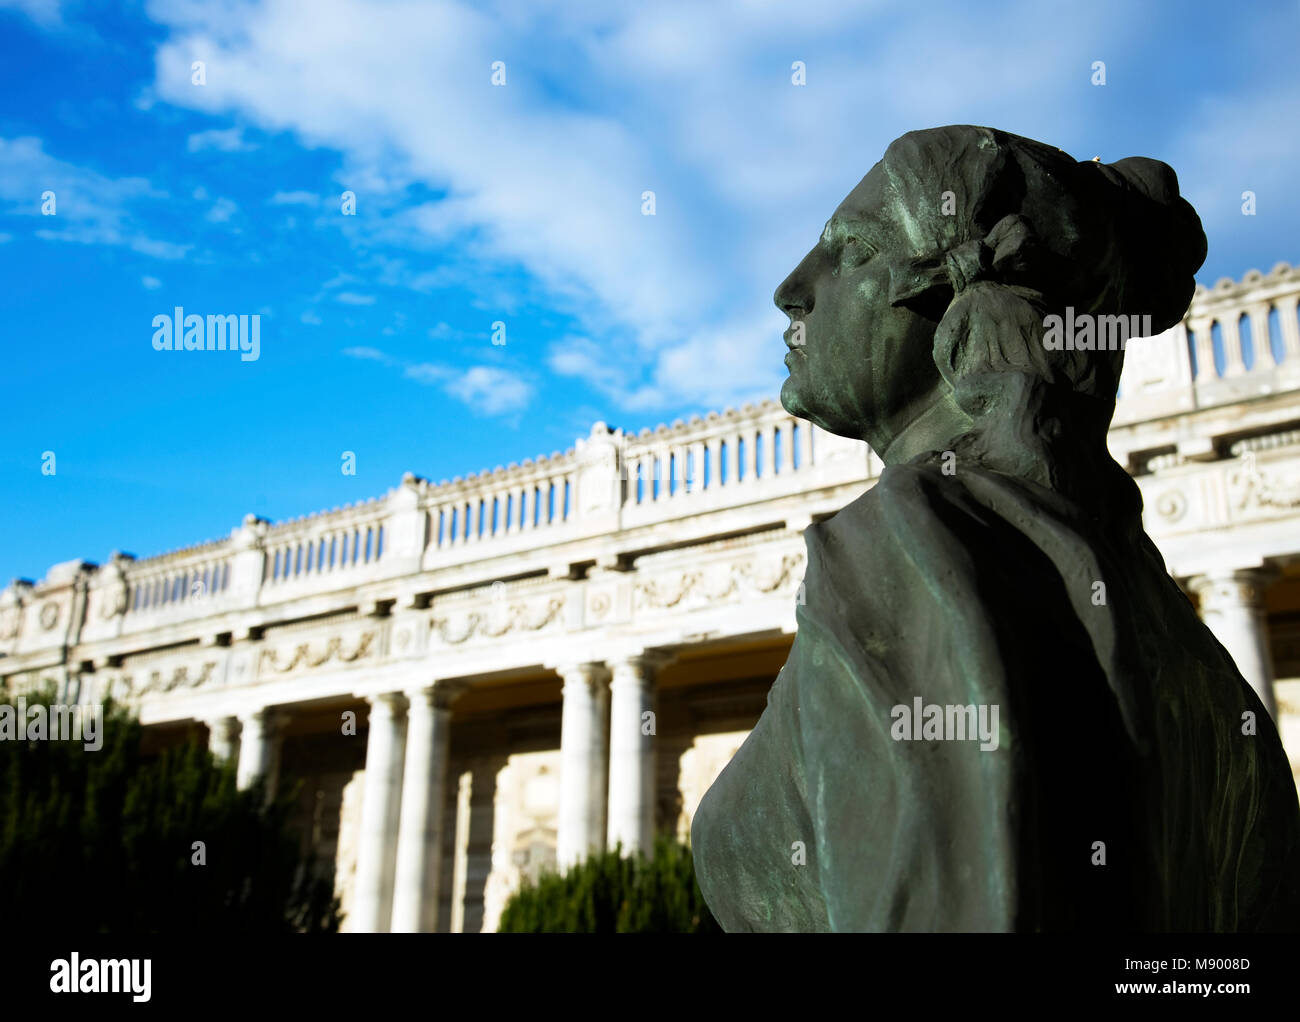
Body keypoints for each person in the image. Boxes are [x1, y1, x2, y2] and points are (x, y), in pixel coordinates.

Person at [690, 125, 1300, 932]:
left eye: (856, 248)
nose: (792, 288)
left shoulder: (916, 543)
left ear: (957, 295)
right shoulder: (1185, 643)